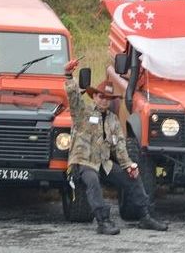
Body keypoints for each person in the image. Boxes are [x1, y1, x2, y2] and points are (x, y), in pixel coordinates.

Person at [63, 59, 167, 235]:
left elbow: (119, 146)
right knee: (92, 181)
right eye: (101, 97)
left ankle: (145, 216)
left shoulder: (113, 120)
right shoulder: (83, 113)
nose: (104, 101)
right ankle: (103, 221)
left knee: (132, 177)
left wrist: (129, 166)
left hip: (104, 163)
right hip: (84, 161)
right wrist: (69, 76)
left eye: (108, 98)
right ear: (94, 96)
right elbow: (73, 99)